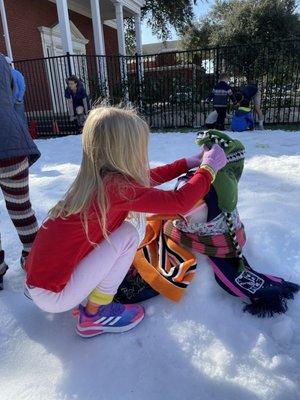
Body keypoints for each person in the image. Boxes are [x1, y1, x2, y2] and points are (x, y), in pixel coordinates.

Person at [25, 106, 227, 338]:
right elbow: (179, 202)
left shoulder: (96, 181)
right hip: (53, 294)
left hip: (42, 283)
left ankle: (89, 297)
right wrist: (208, 170)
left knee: (124, 232)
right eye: (139, 147)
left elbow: (143, 181)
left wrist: (187, 163)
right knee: (129, 234)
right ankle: (95, 314)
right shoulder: (115, 189)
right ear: (125, 151)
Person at [0, 54, 40, 288]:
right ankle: (33, 258)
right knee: (21, 207)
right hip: (12, 142)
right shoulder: (4, 62)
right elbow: (16, 96)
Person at [5, 56, 27, 125]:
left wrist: (19, 99)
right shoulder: (4, 76)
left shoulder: (17, 73)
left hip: (17, 101)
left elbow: (22, 86)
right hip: (8, 101)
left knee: (20, 119)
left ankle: (24, 135)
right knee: (12, 121)